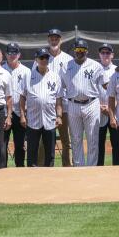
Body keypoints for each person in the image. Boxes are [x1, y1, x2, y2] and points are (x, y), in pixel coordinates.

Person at [60, 39, 107, 166]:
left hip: (91, 104)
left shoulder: (96, 66)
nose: (80, 52)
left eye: (82, 50)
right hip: (73, 104)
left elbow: (106, 85)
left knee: (92, 138)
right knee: (75, 139)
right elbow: (60, 88)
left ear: (87, 51)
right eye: (77, 49)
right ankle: (78, 167)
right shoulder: (66, 66)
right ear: (74, 51)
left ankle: (91, 168)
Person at [20, 48, 63, 167]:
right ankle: (32, 177)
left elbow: (58, 99)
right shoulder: (28, 76)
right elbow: (22, 97)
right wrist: (22, 116)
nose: (44, 60)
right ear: (36, 59)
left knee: (50, 153)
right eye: (41, 58)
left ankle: (49, 177)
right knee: (32, 152)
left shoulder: (55, 77)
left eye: (46, 58)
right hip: (33, 119)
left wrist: (59, 116)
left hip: (50, 120)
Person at [38, 28, 73, 166]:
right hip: (46, 105)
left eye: (56, 38)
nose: (54, 40)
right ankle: (41, 168)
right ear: (48, 40)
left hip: (63, 104)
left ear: (61, 40)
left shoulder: (68, 59)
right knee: (43, 139)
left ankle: (67, 167)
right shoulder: (41, 57)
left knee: (66, 140)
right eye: (52, 38)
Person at [1, 42, 30, 167]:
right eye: (9, 53)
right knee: (2, 144)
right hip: (3, 112)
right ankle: (1, 171)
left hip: (20, 112)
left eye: (15, 52)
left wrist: (25, 113)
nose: (12, 55)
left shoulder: (26, 71)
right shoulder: (1, 69)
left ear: (19, 54)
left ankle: (20, 170)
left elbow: (28, 93)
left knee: (20, 145)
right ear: (5, 55)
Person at [97, 43, 119, 166]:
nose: (105, 55)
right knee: (98, 144)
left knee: (117, 143)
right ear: (99, 55)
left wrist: (111, 107)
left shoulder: (117, 70)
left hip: (115, 113)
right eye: (103, 52)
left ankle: (118, 169)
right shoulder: (94, 68)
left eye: (108, 52)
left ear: (112, 55)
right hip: (98, 111)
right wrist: (99, 107)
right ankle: (98, 170)